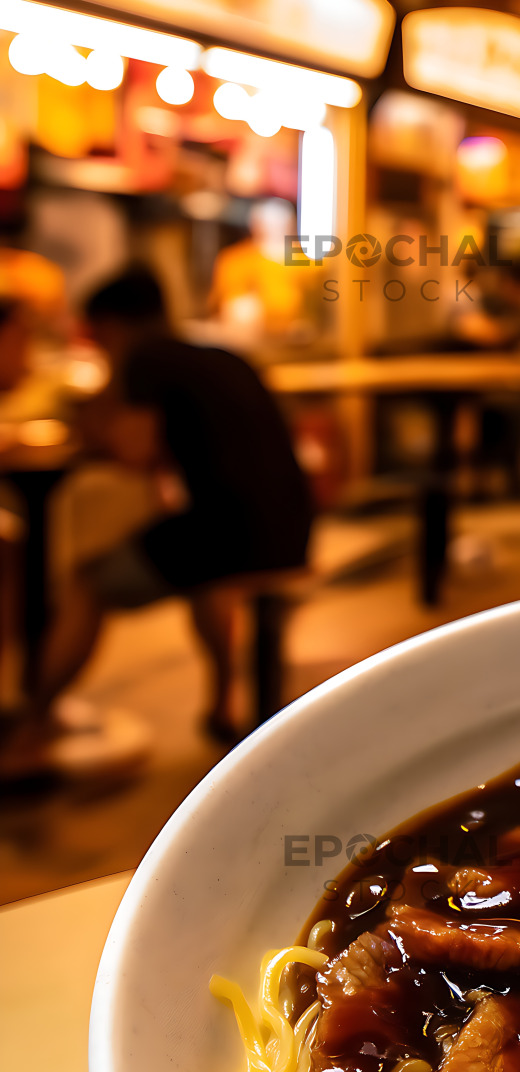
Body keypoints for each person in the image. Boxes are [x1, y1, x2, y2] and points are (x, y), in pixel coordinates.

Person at [0, 264, 313, 775]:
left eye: (98, 336)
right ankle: (220, 703)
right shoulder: (216, 353)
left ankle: (31, 725)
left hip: (230, 534)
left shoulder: (145, 358)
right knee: (202, 578)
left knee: (88, 583)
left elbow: (134, 451)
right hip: (290, 526)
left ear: (114, 327)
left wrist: (98, 413)